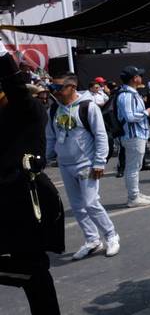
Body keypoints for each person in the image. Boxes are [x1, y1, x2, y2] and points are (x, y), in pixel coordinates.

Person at [0, 41, 64, 314]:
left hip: (26, 201)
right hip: (7, 202)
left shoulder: (27, 109)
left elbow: (17, 92)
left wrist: (3, 58)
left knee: (35, 272)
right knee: (32, 271)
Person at [46, 73, 120, 260]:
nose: (53, 92)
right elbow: (50, 137)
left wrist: (99, 162)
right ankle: (92, 239)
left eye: (58, 88)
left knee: (91, 203)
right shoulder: (53, 110)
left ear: (71, 87)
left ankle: (111, 235)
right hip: (65, 164)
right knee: (78, 206)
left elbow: (101, 135)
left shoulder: (88, 107)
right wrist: (45, 159)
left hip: (86, 163)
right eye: (51, 88)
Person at [116, 66, 150, 207]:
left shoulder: (131, 93)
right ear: (134, 78)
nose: (141, 77)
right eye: (139, 75)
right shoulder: (127, 95)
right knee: (133, 167)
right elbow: (129, 116)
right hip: (133, 135)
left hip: (136, 135)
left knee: (135, 166)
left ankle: (135, 193)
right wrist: (147, 112)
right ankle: (133, 197)